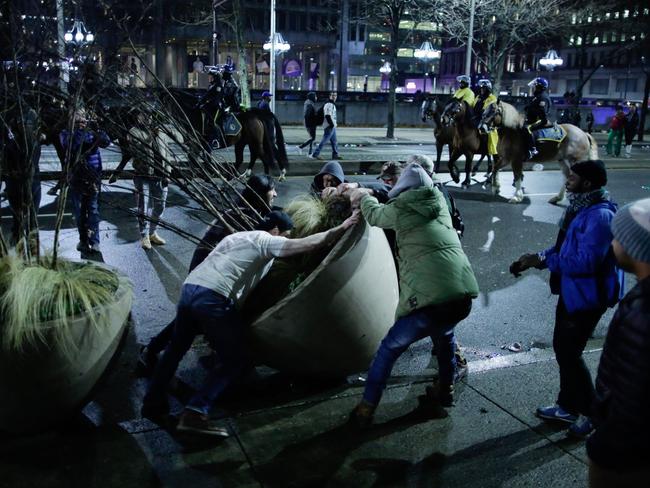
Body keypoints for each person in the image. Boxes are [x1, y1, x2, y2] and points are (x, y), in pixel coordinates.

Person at [142, 209, 360, 435]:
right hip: (214, 298)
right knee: (236, 360)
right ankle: (195, 412)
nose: (285, 239)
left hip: (190, 289)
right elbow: (309, 244)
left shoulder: (235, 237)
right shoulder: (265, 240)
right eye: (285, 234)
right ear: (275, 230)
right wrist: (342, 227)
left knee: (175, 350)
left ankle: (152, 403)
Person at [348, 164, 479, 427]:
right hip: (462, 295)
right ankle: (445, 390)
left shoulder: (402, 208)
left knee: (389, 348)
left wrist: (364, 196)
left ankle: (366, 408)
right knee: (445, 337)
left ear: (403, 190)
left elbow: (374, 216)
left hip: (430, 299)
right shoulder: (439, 202)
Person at [509, 160, 624, 438]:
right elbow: (563, 247)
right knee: (565, 350)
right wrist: (539, 258)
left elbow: (586, 261)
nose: (567, 180)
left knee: (568, 352)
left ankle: (596, 415)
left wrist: (545, 260)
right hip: (574, 291)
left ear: (587, 183)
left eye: (572, 176)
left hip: (588, 294)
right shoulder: (579, 207)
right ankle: (567, 407)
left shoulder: (599, 216)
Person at [137, 175, 279, 374]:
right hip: (207, 273)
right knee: (193, 321)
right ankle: (153, 355)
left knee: (191, 321)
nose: (275, 194)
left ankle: (152, 354)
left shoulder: (242, 211)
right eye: (272, 190)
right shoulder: (245, 219)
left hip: (203, 271)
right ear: (262, 193)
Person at [586, 197, 650, 487]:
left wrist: (605, 451)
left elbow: (631, 393)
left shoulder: (642, 313)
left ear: (637, 248)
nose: (612, 243)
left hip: (627, 459)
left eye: (619, 237)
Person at [109, 111, 174, 250]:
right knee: (142, 208)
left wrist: (168, 173)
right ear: (138, 117)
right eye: (144, 115)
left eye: (150, 115)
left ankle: (152, 232)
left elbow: (167, 153)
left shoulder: (160, 132)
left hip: (160, 175)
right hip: (142, 175)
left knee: (160, 205)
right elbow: (136, 151)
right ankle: (144, 236)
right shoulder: (133, 132)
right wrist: (150, 137)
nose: (148, 118)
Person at [60, 108, 111, 254]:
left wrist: (97, 129)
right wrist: (83, 132)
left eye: (83, 116)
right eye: (77, 117)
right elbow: (75, 147)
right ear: (71, 119)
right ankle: (83, 240)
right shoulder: (66, 133)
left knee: (93, 210)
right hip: (77, 177)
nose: (81, 119)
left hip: (94, 176)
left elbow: (106, 142)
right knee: (79, 211)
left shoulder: (91, 131)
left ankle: (95, 241)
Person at [524, 77, 552, 160]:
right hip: (532, 119)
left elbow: (542, 113)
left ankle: (533, 149)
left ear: (539, 87)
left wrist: (531, 111)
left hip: (541, 120)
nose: (534, 88)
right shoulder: (536, 97)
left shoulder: (543, 97)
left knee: (527, 128)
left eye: (535, 86)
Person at [197, 68, 225, 149]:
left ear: (215, 77)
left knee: (213, 123)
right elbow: (206, 96)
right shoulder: (211, 86)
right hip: (210, 107)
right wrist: (200, 101)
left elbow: (215, 100)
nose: (209, 78)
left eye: (211, 76)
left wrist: (206, 103)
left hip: (216, 108)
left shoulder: (218, 86)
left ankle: (216, 141)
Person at [309, 92, 342, 161]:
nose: (334, 97)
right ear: (329, 96)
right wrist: (331, 124)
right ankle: (315, 154)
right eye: (332, 95)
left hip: (331, 126)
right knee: (324, 141)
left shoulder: (332, 104)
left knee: (334, 141)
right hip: (329, 126)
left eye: (335, 95)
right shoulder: (329, 104)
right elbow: (327, 115)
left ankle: (335, 154)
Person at [473, 79, 499, 163]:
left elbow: (488, 111)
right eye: (481, 88)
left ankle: (491, 150)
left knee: (487, 132)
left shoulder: (492, 98)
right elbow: (473, 107)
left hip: (487, 120)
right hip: (476, 118)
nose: (482, 90)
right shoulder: (478, 97)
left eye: (483, 88)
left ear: (488, 89)